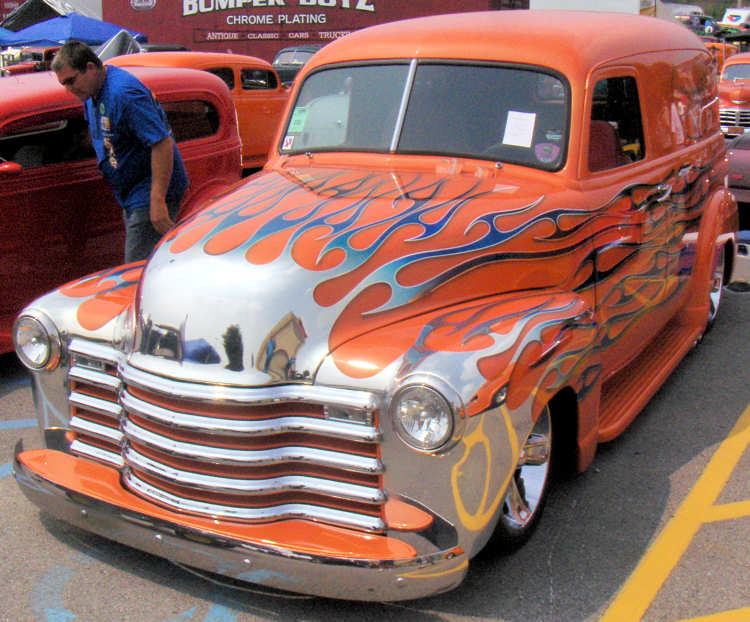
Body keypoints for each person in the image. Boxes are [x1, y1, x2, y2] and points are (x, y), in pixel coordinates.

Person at [52, 41, 189, 263]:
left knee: (136, 267)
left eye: (71, 81)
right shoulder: (91, 93)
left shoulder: (124, 94)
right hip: (130, 191)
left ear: (90, 67)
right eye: (63, 84)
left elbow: (162, 144)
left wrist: (157, 201)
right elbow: (100, 133)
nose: (69, 89)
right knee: (149, 261)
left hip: (148, 189)